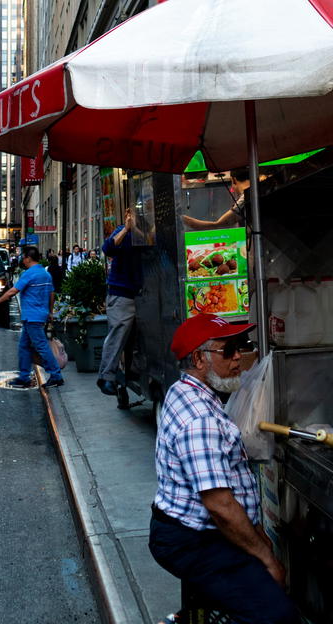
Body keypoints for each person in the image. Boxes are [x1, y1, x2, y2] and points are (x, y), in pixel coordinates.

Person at [149, 314, 301, 624]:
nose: (238, 359)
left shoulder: (188, 391)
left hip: (194, 531)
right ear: (198, 359)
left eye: (241, 347)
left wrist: (258, 537)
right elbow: (219, 505)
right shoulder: (200, 420)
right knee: (276, 616)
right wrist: (265, 556)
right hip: (191, 539)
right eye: (228, 350)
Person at [0, 245, 64, 389]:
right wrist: (50, 312)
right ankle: (24, 376)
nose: (22, 260)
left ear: (28, 258)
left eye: (23, 257)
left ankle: (55, 375)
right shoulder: (45, 273)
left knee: (41, 346)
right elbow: (52, 294)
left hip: (32, 316)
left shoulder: (29, 274)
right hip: (39, 314)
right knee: (24, 346)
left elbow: (13, 291)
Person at [97, 207, 143, 408]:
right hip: (121, 293)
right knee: (119, 332)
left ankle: (129, 375)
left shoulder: (145, 235)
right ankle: (106, 376)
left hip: (142, 293)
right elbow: (107, 248)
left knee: (134, 340)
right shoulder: (120, 232)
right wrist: (126, 229)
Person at [184, 168, 249, 229]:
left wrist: (182, 219)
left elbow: (218, 224)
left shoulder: (244, 198)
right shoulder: (253, 192)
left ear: (233, 180)